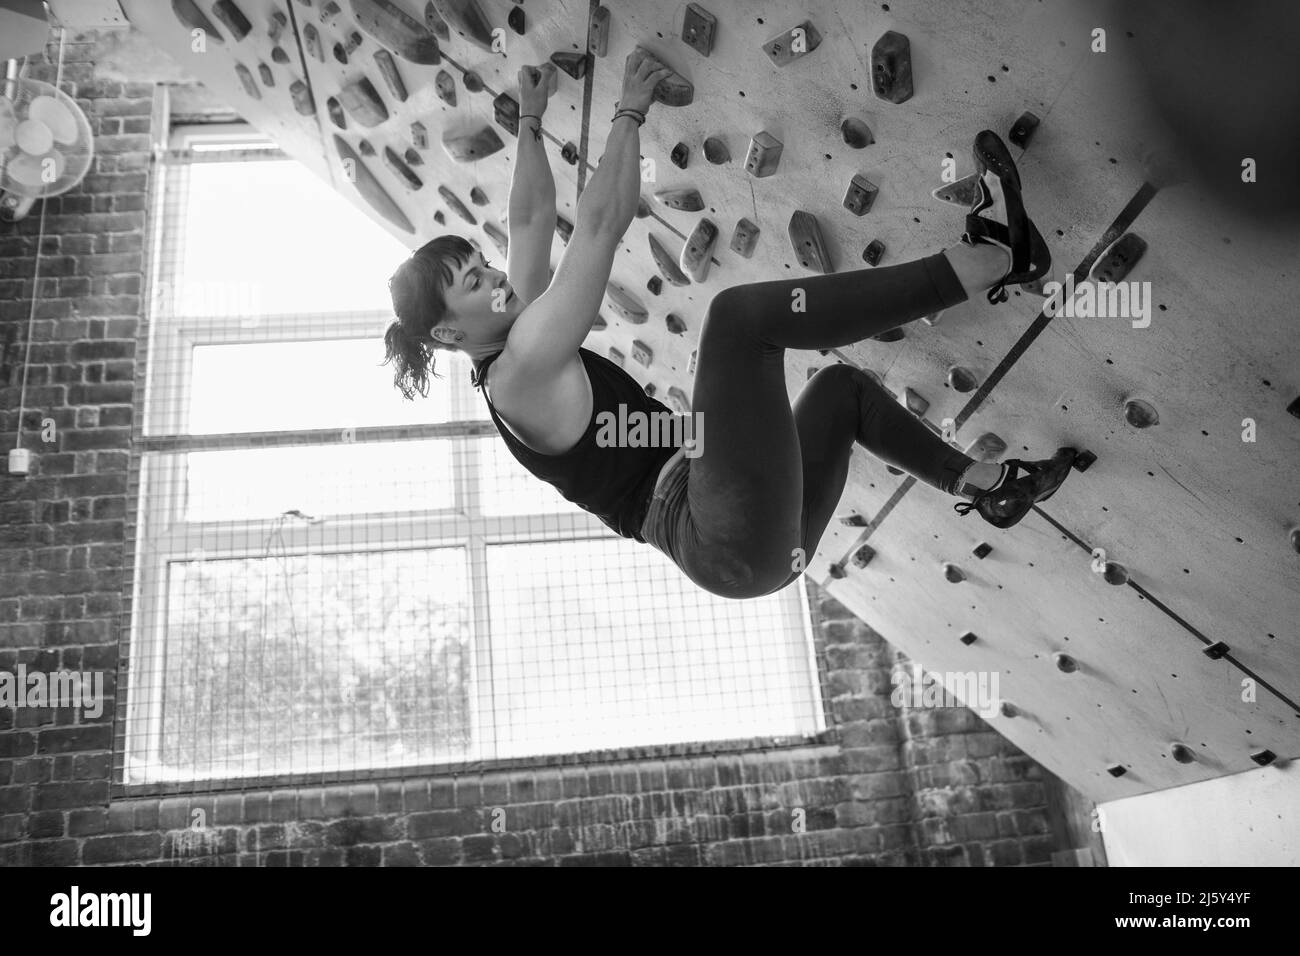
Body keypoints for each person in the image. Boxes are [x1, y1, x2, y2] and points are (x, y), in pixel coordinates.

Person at [383, 51, 1077, 600]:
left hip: (755, 551)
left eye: (481, 264)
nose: (496, 276)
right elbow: (596, 226)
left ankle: (986, 484)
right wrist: (629, 108)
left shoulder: (512, 333)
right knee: (738, 322)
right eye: (475, 281)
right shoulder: (519, 372)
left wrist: (529, 120)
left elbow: (529, 223)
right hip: (716, 531)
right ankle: (994, 257)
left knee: (841, 394)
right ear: (447, 334)